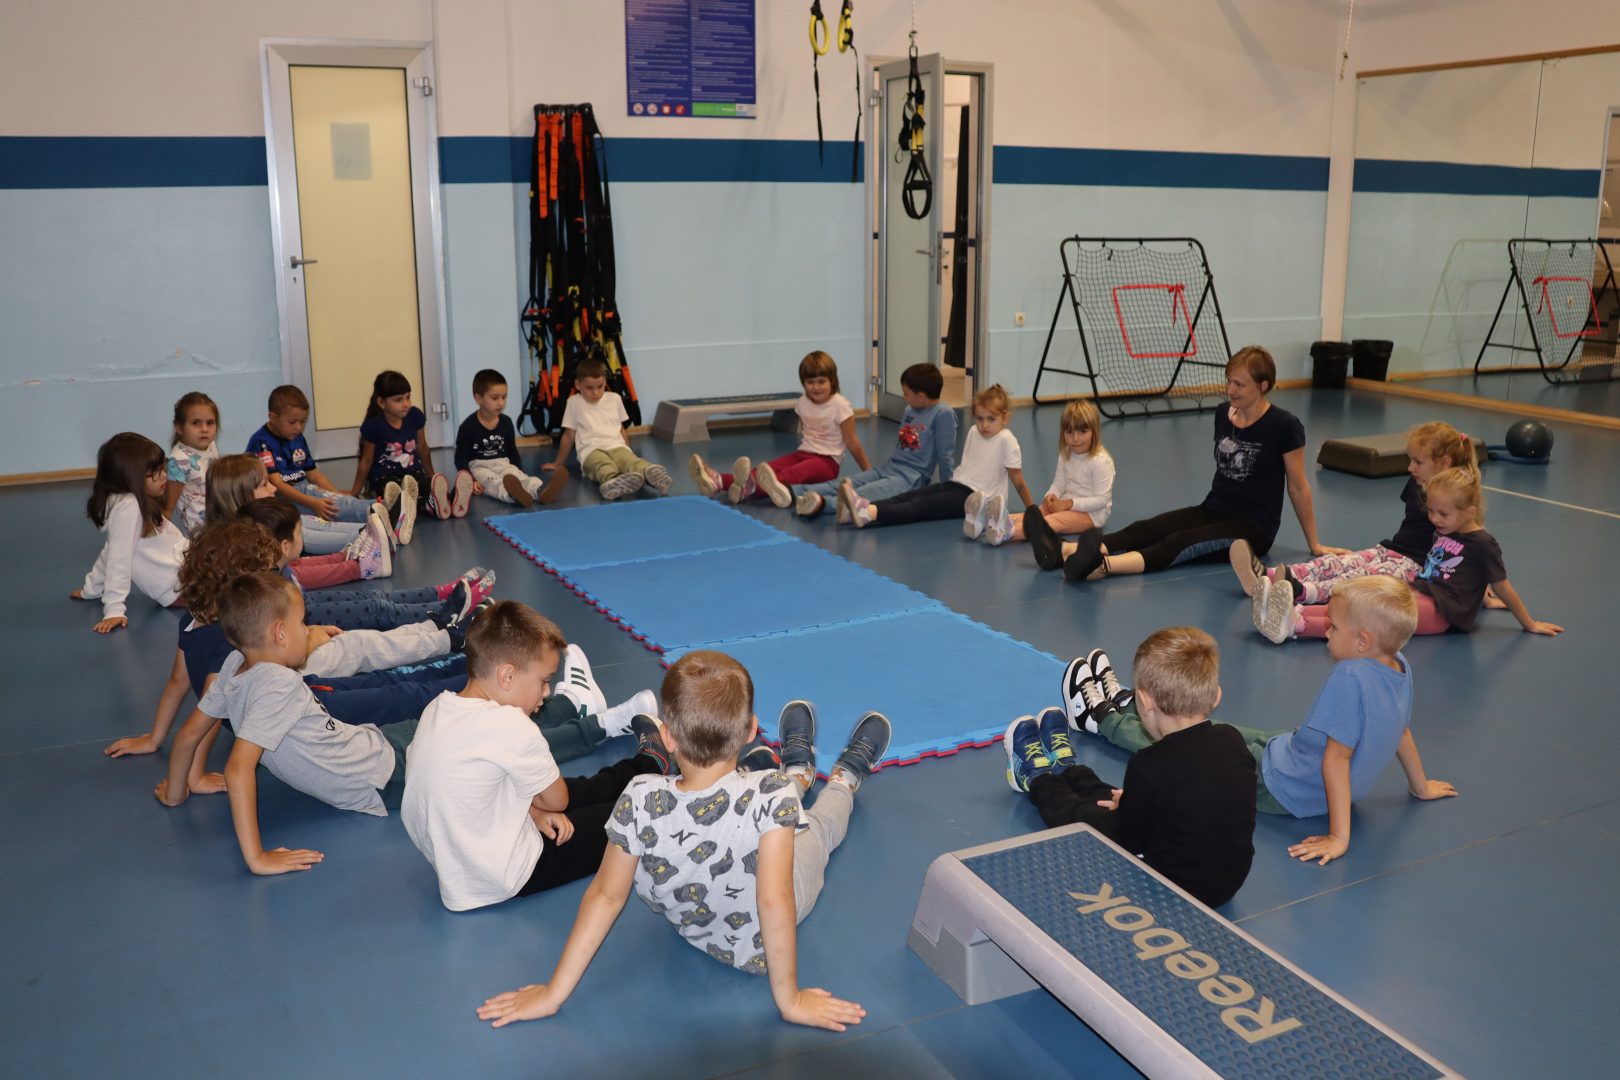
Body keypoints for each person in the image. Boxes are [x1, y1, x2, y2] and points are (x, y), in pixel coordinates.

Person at [475, 650, 891, 1033]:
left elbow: (606, 895)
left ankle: (797, 774)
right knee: (817, 828)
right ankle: (841, 779)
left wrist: (553, 994)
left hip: (695, 927)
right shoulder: (770, 795)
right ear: (751, 730)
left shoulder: (639, 797)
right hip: (755, 943)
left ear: (668, 737)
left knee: (771, 800)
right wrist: (791, 1001)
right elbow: (774, 899)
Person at [1077, 578, 1457, 867]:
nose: (1325, 630)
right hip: (1291, 750)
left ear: (1362, 642)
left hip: (1281, 785)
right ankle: (1136, 703)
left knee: (1187, 747)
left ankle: (1103, 718)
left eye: (1334, 626)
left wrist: (1338, 837)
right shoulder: (1400, 666)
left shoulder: (1350, 676)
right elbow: (1400, 730)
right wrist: (1419, 786)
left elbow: (1336, 759)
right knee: (1209, 732)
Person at [403, 601, 665, 911]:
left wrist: (534, 813)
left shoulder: (438, 708)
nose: (547, 693)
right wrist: (541, 809)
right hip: (511, 873)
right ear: (507, 676)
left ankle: (647, 766)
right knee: (631, 814)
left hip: (461, 864)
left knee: (575, 790)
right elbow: (558, 802)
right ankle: (656, 775)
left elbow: (466, 796)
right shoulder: (511, 725)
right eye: (544, 680)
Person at [1034, 347, 1341, 582]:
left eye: (1240, 384)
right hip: (1213, 509)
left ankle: (1102, 566)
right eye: (1229, 381)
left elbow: (1298, 486)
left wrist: (1314, 543)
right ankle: (1065, 551)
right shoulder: (1223, 414)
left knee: (1180, 541)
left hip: (1252, 528)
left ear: (1263, 386)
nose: (1231, 389)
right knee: (1149, 528)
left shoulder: (1284, 426)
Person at [1004, 628, 1255, 907]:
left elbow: (1126, 841)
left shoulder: (1149, 764)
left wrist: (1126, 811)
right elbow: (1199, 801)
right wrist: (1130, 806)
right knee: (1127, 797)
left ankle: (1038, 778)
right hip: (1227, 882)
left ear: (1143, 702)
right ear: (1216, 696)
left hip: (1175, 886)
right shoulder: (1232, 740)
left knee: (1086, 815)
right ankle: (1069, 770)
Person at [1256, 466, 1562, 642]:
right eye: (1431, 511)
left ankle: (1298, 627)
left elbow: (1501, 584)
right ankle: (1291, 611)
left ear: (1469, 512)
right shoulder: (1443, 531)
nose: (1435, 519)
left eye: (1443, 513)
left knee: (1372, 617)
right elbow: (1461, 573)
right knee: (1363, 599)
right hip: (1419, 591)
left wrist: (1529, 623)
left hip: (1442, 613)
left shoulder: (1483, 543)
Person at [1230, 421, 1471, 602]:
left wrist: (1476, 584)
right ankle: (1268, 576)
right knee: (1336, 563)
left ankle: (1303, 592)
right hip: (1390, 550)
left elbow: (1471, 541)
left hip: (1415, 567)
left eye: (1418, 462)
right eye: (1411, 460)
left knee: (1359, 578)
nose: (1410, 467)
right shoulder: (1417, 482)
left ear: (1445, 463)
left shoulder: (1455, 499)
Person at [236, 498, 488, 630]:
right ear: (284, 546)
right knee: (377, 609)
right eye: (299, 532)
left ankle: (443, 592)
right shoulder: (273, 585)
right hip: (306, 619)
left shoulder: (279, 568)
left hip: (305, 606)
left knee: (373, 595)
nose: (302, 537)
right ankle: (450, 609)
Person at [843, 384, 1033, 537]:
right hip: (958, 484)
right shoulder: (974, 431)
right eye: (980, 418)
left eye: (991, 419)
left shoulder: (1006, 440)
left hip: (978, 498)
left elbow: (1017, 479)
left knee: (920, 506)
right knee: (910, 496)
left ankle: (870, 513)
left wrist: (1032, 510)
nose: (984, 425)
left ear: (1005, 418)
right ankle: (862, 508)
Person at [689, 350, 871, 508]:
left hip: (827, 463)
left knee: (789, 474)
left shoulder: (840, 406)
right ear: (803, 383)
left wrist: (868, 472)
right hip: (803, 453)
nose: (816, 387)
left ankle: (751, 489)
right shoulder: (802, 403)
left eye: (821, 381)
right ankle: (720, 481)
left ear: (832, 381)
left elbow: (852, 442)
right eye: (810, 382)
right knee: (766, 469)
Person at [790, 362, 957, 519]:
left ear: (920, 396)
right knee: (843, 483)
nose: (904, 397)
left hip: (910, 478)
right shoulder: (910, 410)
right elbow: (902, 445)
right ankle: (792, 492)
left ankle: (821, 504)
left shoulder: (943, 414)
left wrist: (948, 491)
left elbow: (945, 455)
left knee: (864, 492)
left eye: (906, 393)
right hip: (889, 467)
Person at [71, 432, 189, 633]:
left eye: (162, 468)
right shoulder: (129, 507)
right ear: (131, 477)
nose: (164, 476)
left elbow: (110, 549)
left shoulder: (129, 503)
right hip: (181, 585)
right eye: (155, 472)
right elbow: (118, 558)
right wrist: (114, 609)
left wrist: (91, 589)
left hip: (186, 570)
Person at [207, 453, 387, 583]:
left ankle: (369, 531)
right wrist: (354, 568)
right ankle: (366, 538)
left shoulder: (252, 525)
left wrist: (342, 557)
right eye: (264, 484)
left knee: (304, 522)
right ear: (241, 496)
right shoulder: (247, 541)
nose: (273, 488)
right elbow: (296, 574)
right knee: (300, 537)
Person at [247, 384, 376, 524]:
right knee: (334, 508)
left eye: (303, 421)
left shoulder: (296, 437)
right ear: (273, 417)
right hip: (282, 498)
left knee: (343, 501)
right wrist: (312, 503)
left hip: (305, 489)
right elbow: (277, 484)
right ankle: (376, 512)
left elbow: (313, 474)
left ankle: (382, 505)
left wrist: (335, 493)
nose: (299, 427)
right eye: (292, 422)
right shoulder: (261, 442)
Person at [548, 356, 672, 500]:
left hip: (616, 446)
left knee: (630, 461)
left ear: (605, 382)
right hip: (591, 451)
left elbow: (620, 429)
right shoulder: (574, 403)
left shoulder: (615, 399)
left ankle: (650, 473)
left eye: (600, 387)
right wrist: (558, 464)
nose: (595, 392)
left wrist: (627, 450)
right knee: (601, 465)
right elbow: (568, 435)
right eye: (589, 388)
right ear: (578, 384)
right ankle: (613, 481)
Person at [1011, 399, 1115, 563]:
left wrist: (1068, 504)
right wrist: (1051, 496)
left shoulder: (1101, 462)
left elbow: (1102, 500)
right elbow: (1059, 483)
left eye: (1082, 432)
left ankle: (1009, 533)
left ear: (1094, 431)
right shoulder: (1066, 452)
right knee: (1036, 514)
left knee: (1050, 522)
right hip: (1067, 503)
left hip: (1092, 515)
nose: (1075, 438)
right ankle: (1000, 522)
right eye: (1069, 432)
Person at [351, 369, 447, 542]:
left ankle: (434, 501)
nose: (406, 404)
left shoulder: (415, 416)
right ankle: (415, 505)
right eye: (398, 400)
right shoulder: (373, 426)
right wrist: (355, 492)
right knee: (391, 490)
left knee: (422, 485)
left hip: (413, 474)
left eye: (408, 397)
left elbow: (422, 447)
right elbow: (366, 460)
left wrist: (431, 476)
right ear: (381, 402)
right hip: (385, 477)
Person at [454, 368, 568, 510]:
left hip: (503, 463)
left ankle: (540, 491)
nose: (501, 403)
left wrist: (519, 471)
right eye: (495, 398)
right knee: (493, 483)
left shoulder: (506, 422)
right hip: (480, 466)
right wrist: (469, 480)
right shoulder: (468, 427)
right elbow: (460, 458)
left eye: (504, 397)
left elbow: (512, 451)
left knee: (520, 478)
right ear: (479, 398)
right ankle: (513, 495)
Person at [164, 391, 220, 537]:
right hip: (199, 534)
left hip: (219, 522)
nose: (204, 429)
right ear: (179, 427)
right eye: (196, 423)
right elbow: (168, 508)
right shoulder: (179, 460)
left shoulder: (211, 446)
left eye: (210, 423)